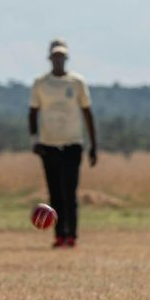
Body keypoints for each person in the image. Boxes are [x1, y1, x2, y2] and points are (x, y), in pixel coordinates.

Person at [28, 39, 97, 248]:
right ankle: (59, 236)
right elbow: (32, 112)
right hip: (48, 145)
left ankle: (71, 236)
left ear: (66, 58)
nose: (58, 60)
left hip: (72, 144)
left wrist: (94, 144)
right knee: (54, 193)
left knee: (70, 192)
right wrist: (35, 140)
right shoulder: (40, 83)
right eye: (55, 56)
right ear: (50, 58)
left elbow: (87, 113)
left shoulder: (76, 82)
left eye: (62, 56)